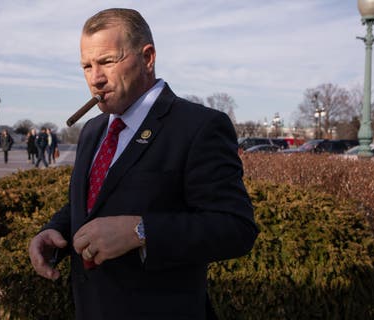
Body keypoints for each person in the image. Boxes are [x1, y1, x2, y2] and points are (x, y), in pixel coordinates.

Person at [28, 8, 257, 319]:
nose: (95, 78)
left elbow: (235, 227)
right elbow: (89, 203)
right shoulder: (93, 130)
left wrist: (141, 231)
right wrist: (54, 231)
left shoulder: (198, 126)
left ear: (148, 57)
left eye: (107, 61)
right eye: (86, 66)